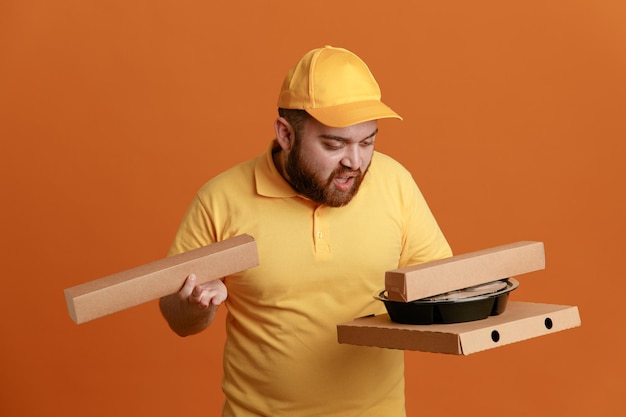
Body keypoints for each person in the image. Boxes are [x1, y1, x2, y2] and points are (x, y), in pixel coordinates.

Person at [159, 45, 452, 417]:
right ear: (285, 134)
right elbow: (177, 318)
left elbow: (440, 286)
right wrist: (194, 305)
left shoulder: (395, 183)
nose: (355, 162)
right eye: (334, 144)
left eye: (367, 142)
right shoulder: (221, 199)